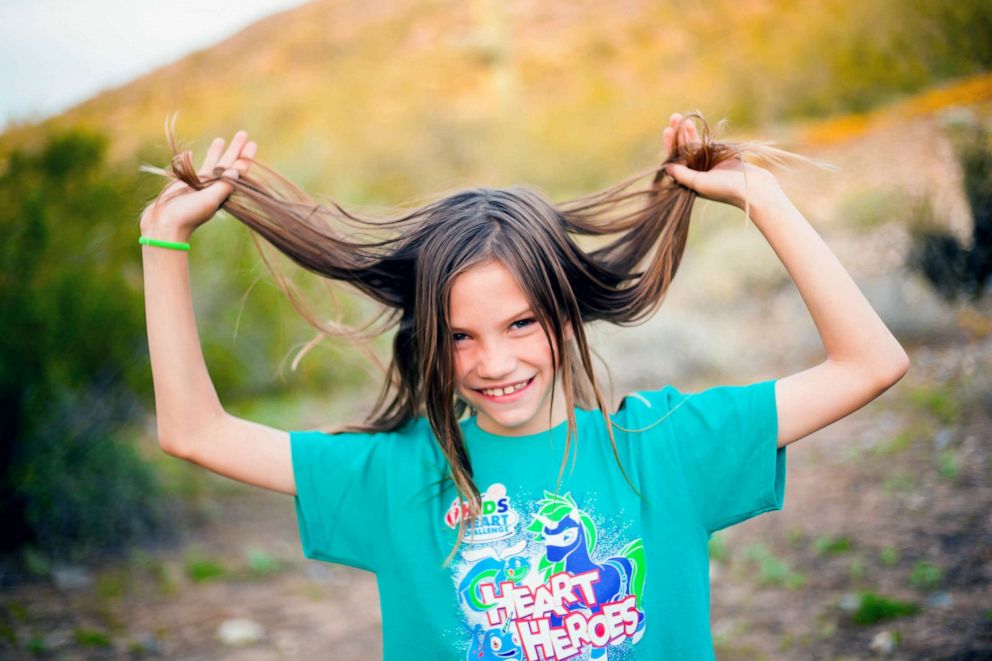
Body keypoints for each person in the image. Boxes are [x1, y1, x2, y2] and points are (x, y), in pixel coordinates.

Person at [138, 112, 909, 659]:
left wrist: (760, 198)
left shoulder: (661, 448)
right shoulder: (402, 477)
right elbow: (192, 430)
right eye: (459, 336)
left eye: (520, 324)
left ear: (567, 318)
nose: (493, 362)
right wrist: (164, 242)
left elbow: (870, 362)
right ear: (430, 344)